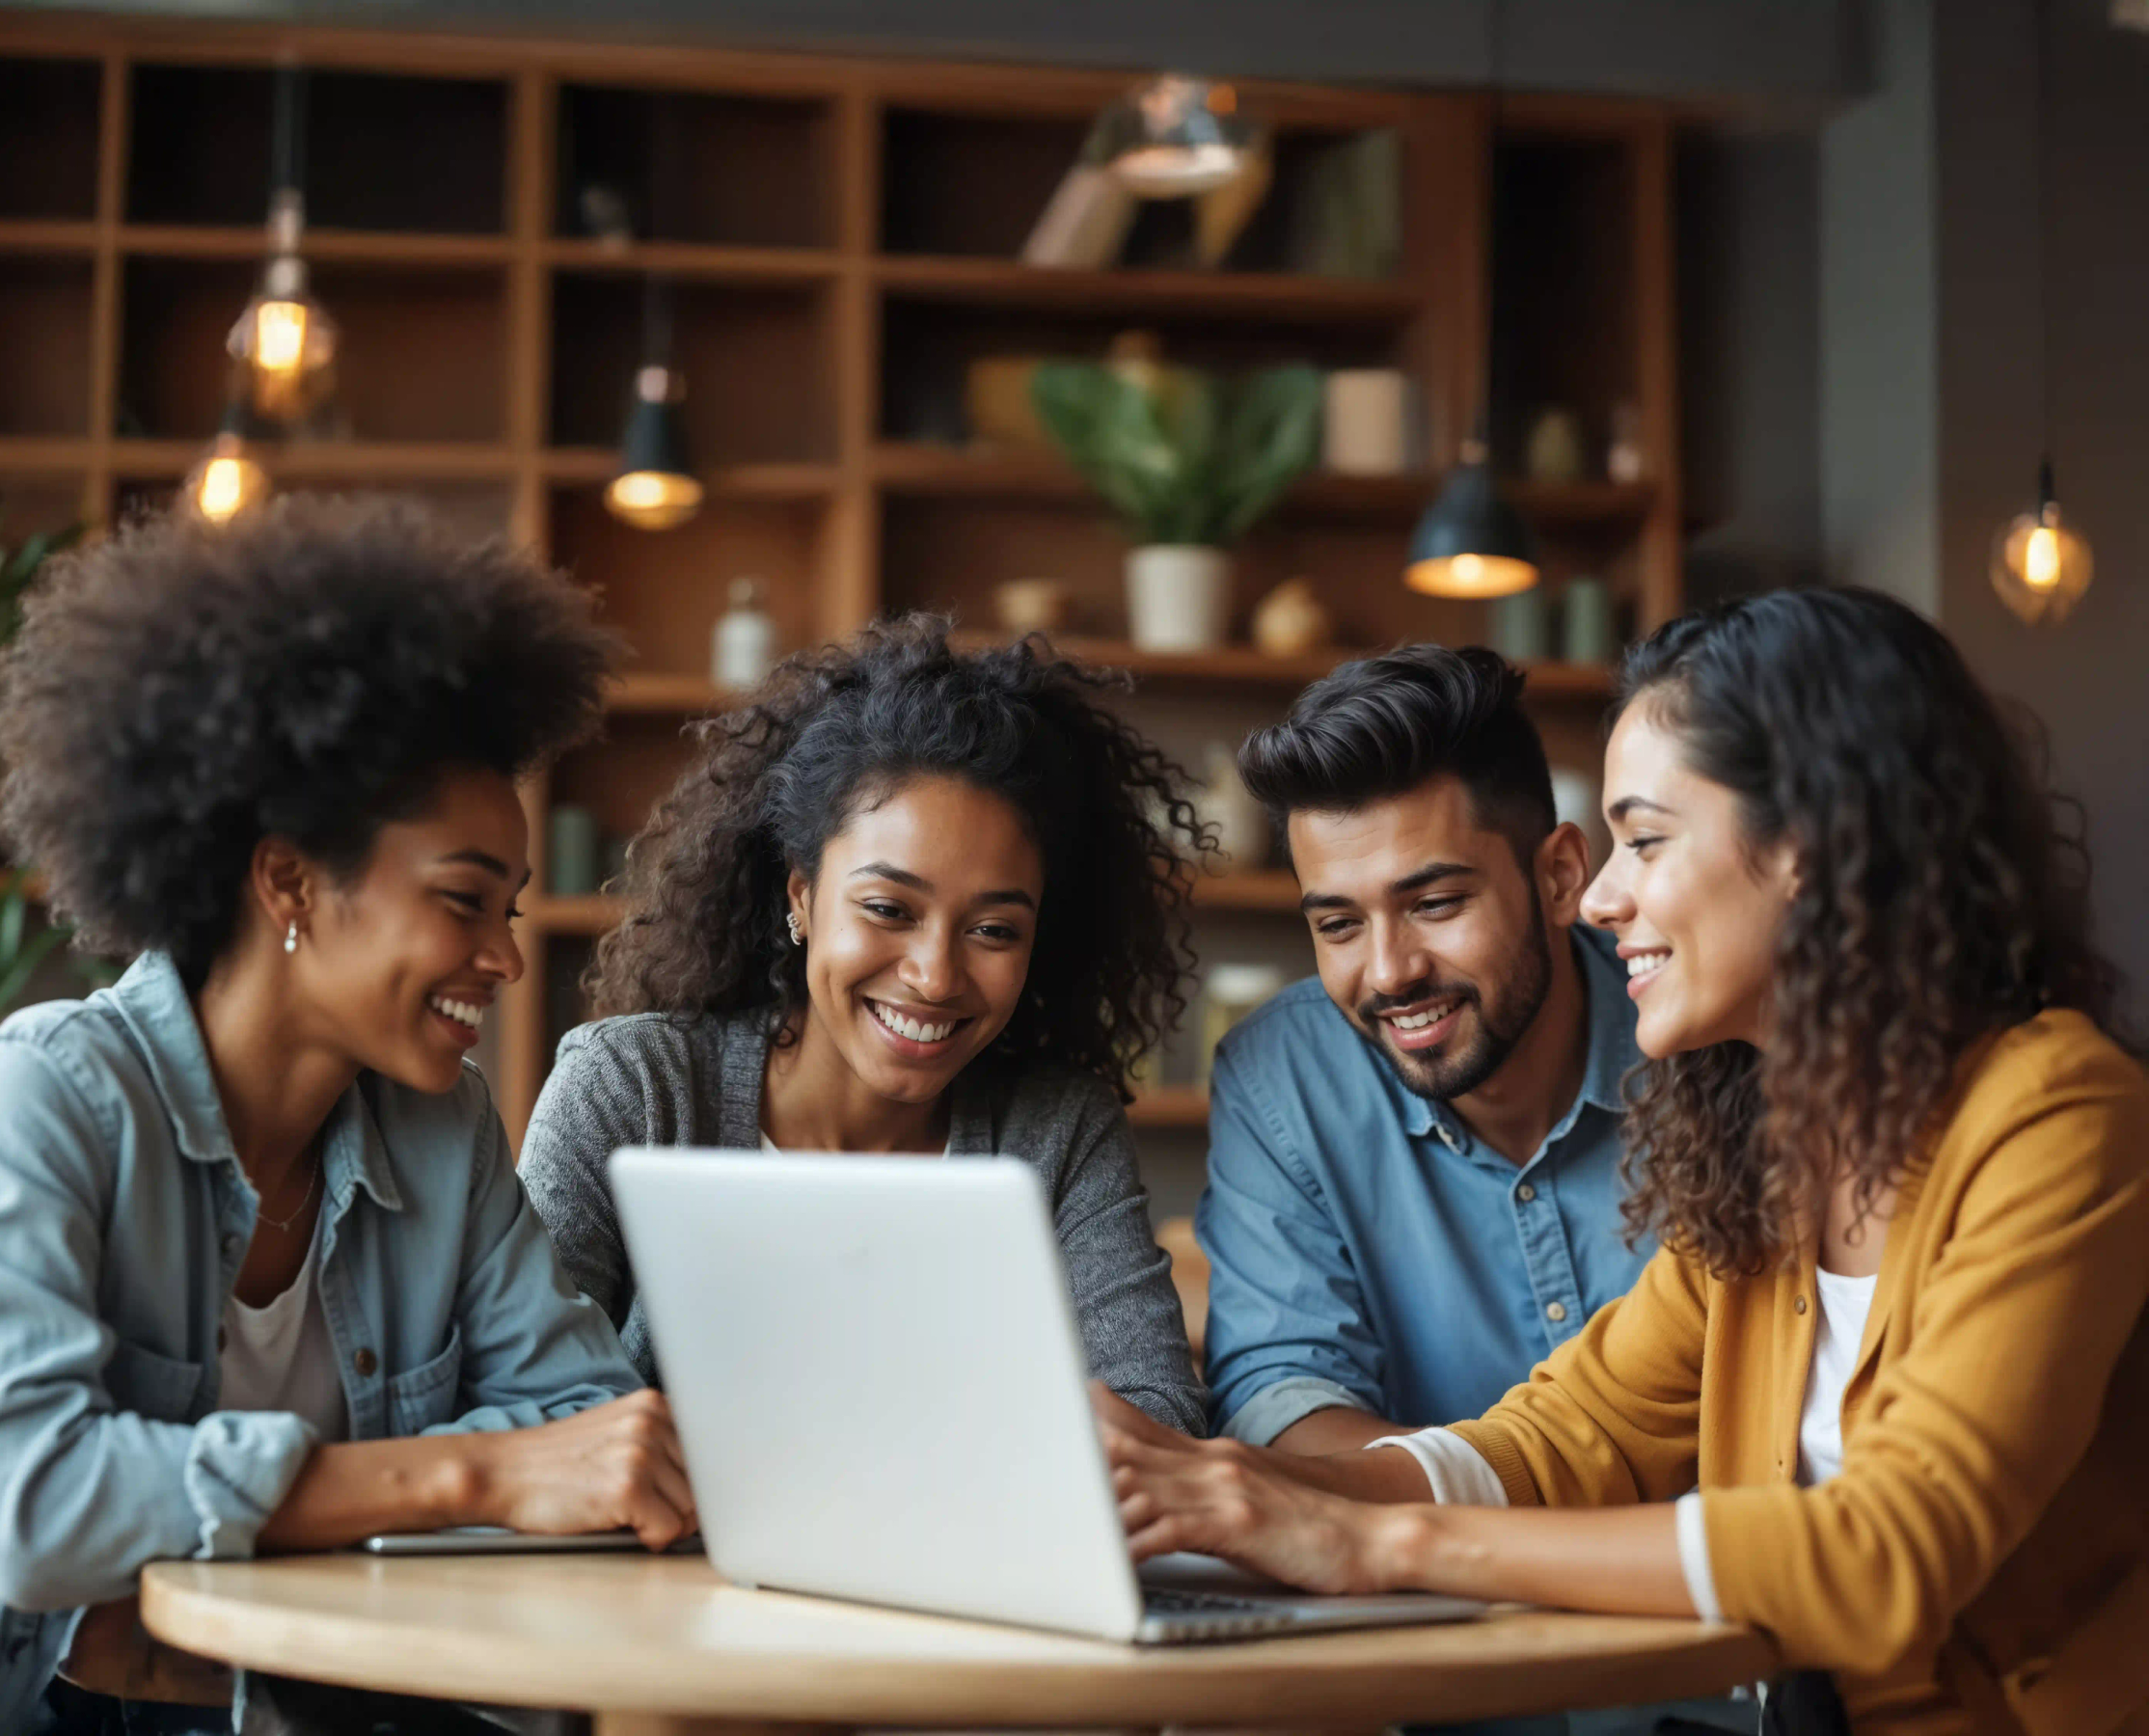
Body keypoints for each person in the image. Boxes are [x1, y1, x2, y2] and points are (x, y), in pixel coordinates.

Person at [1097, 588, 2149, 1736]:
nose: (1601, 897)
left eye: (1644, 839)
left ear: (1810, 844)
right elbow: (1566, 1437)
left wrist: (1376, 1540)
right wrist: (1231, 1489)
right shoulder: (1770, 1139)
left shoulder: (2059, 1112)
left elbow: (1887, 1552)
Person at [0, 501, 694, 1736]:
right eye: (464, 901)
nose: (502, 958)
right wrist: (469, 1470)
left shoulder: (442, 1134)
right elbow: (35, 1509)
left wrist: (509, 1466)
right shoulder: (47, 1097)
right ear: (288, 877)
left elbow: (584, 1433)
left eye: (510, 909)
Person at [520, 617, 1205, 1434]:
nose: (935, 975)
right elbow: (522, 1404)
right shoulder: (635, 1089)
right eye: (888, 909)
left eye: (993, 930)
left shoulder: (1056, 1130)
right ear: (800, 895)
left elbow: (1162, 1423)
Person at [1200, 646, 1648, 1451]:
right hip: (1426, 1581)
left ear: (1560, 877)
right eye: (1338, 924)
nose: (1389, 972)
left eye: (1436, 904)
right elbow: (1285, 1396)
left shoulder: (1706, 1031)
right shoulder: (1281, 1077)